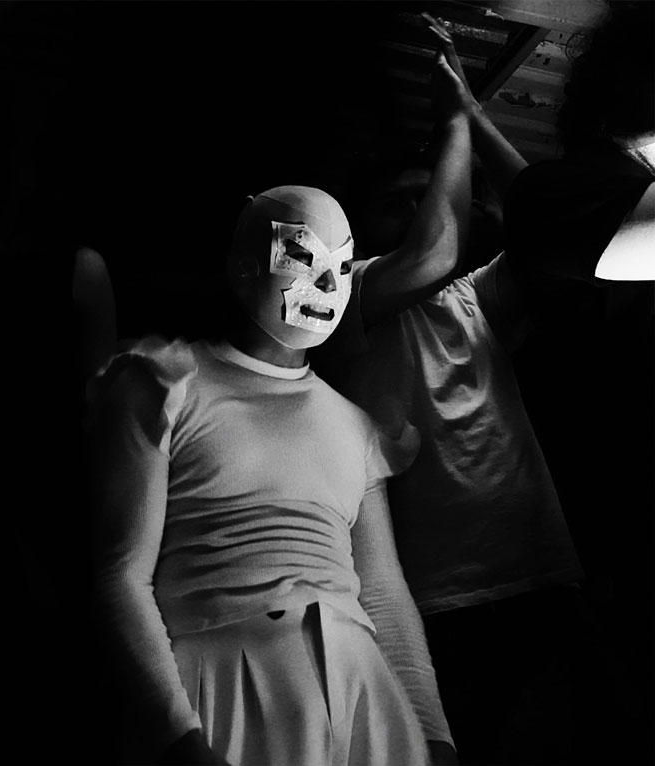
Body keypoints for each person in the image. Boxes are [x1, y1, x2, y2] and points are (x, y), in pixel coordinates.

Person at [86, 181, 457, 765]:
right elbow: (119, 573)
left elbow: (386, 596)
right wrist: (178, 735)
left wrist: (433, 736)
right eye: (303, 256)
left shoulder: (355, 427)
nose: (328, 285)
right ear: (242, 266)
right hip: (219, 688)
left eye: (342, 266)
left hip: (363, 696)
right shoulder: (164, 382)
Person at [312, 14, 596, 764]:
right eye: (396, 204)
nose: (418, 213)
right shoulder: (347, 295)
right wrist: (452, 124)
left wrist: (471, 111)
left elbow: (560, 230)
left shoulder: (472, 295)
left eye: (424, 197)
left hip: (540, 576)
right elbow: (431, 253)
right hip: (435, 597)